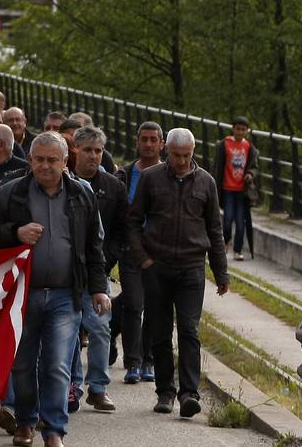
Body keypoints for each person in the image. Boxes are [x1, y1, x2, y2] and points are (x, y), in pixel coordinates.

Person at [0, 133, 110, 447]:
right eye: (39, 159)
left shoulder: (82, 195)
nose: (45, 165)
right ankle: (25, 422)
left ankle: (53, 430)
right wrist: (16, 232)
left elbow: (93, 246)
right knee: (22, 364)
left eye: (53, 160)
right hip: (22, 294)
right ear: (30, 159)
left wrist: (98, 288)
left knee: (56, 364)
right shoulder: (10, 194)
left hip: (66, 295)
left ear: (66, 162)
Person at [126, 127, 229, 418]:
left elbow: (215, 230)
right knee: (159, 331)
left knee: (189, 330)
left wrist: (221, 273)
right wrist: (142, 258)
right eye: (176, 155)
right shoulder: (150, 178)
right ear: (166, 150)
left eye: (186, 156)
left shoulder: (206, 182)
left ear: (193, 152)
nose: (181, 161)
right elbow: (133, 221)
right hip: (156, 266)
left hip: (192, 268)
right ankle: (165, 391)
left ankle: (188, 393)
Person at [67, 126, 125, 414]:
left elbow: (119, 231)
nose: (93, 156)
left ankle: (98, 388)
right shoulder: (63, 182)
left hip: (98, 270)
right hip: (67, 270)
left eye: (98, 151)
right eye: (88, 150)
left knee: (101, 327)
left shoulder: (113, 187)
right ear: (75, 150)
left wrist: (107, 259)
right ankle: (72, 386)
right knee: (70, 331)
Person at [114, 121, 164, 383]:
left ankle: (148, 360)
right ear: (137, 142)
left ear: (161, 144)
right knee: (134, 304)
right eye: (144, 139)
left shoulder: (169, 175)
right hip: (130, 248)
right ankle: (132, 361)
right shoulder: (125, 174)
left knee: (155, 307)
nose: (148, 144)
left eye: (153, 139)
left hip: (159, 252)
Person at [213, 117, 258, 261]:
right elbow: (218, 166)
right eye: (238, 129)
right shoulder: (224, 144)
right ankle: (226, 242)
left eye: (243, 129)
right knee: (227, 219)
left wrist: (250, 175)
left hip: (242, 191)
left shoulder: (249, 147)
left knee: (240, 221)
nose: (240, 132)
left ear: (247, 131)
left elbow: (254, 167)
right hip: (227, 188)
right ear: (233, 129)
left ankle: (238, 250)